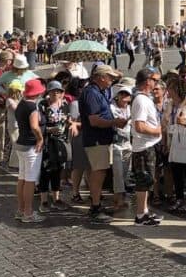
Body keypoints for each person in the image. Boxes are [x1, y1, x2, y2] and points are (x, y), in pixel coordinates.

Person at [79, 64, 127, 223]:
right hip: (96, 138)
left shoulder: (98, 90)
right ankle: (95, 206)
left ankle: (96, 203)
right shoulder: (91, 93)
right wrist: (114, 122)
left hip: (102, 138)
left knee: (100, 172)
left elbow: (118, 77)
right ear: (101, 77)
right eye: (110, 77)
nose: (112, 80)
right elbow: (94, 120)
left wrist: (115, 74)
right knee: (98, 172)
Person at [130, 68, 165, 226]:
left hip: (148, 145)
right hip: (144, 146)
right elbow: (139, 126)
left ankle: (144, 211)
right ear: (147, 81)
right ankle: (140, 214)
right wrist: (157, 131)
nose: (156, 83)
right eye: (155, 80)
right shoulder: (141, 100)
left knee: (147, 179)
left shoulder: (145, 99)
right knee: (144, 181)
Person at [164, 75, 186, 213]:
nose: (168, 91)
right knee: (176, 171)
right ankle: (179, 197)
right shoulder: (170, 104)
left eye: (171, 88)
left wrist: (185, 123)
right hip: (173, 143)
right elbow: (165, 122)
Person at [37, 80, 72, 214]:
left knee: (58, 169)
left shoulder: (64, 105)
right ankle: (44, 201)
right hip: (47, 141)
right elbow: (38, 124)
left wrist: (70, 124)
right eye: (53, 91)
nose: (56, 94)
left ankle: (56, 198)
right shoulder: (43, 105)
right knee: (46, 170)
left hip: (61, 142)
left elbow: (67, 120)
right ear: (48, 92)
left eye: (59, 91)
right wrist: (49, 130)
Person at [14, 79, 46, 224]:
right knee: (30, 180)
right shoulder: (32, 107)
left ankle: (21, 210)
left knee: (22, 178)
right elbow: (34, 126)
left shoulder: (21, 104)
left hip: (21, 144)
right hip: (31, 146)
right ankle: (28, 212)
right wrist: (40, 138)